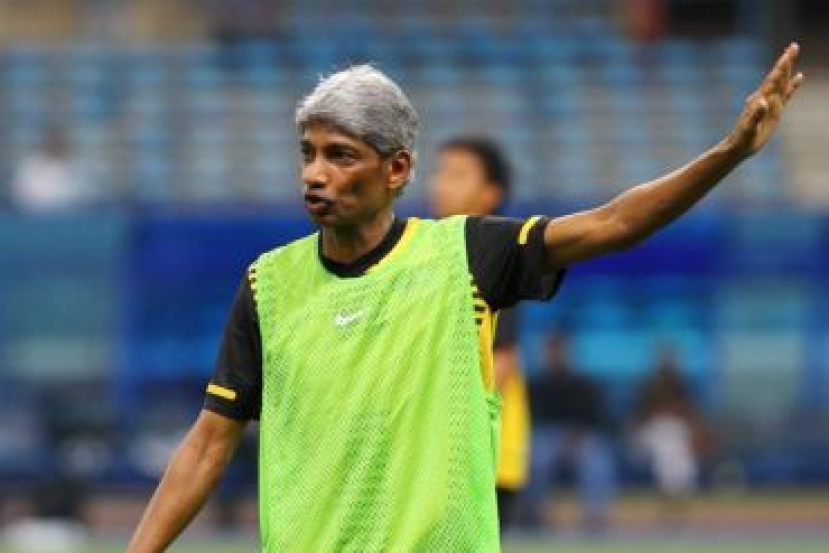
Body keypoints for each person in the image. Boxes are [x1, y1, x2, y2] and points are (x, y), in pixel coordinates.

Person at [126, 44, 803, 552]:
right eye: (308, 153)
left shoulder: (467, 255)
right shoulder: (267, 284)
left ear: (397, 169)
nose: (315, 174)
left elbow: (613, 223)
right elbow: (208, 444)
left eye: (340, 155)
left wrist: (728, 152)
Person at [429, 137, 532, 532]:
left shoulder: (498, 258)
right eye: (440, 172)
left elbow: (501, 362)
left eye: (458, 175)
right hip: (442, 458)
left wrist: (450, 437)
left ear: (492, 193)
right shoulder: (433, 254)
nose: (440, 184)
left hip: (481, 458)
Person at [520, 331, 615, 531]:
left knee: (596, 457)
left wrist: (578, 432)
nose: (556, 355)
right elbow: (529, 420)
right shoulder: (536, 386)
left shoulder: (583, 385)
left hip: (580, 438)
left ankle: (595, 516)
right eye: (552, 351)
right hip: (547, 437)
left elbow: (597, 419)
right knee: (536, 454)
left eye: (560, 350)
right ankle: (531, 513)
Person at [634, 345, 713, 525]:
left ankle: (678, 510)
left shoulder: (682, 384)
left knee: (682, 454)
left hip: (676, 429)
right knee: (667, 449)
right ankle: (666, 509)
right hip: (654, 430)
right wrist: (660, 413)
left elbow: (691, 413)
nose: (667, 363)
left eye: (670, 360)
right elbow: (641, 416)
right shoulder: (649, 386)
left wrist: (698, 435)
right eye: (664, 359)